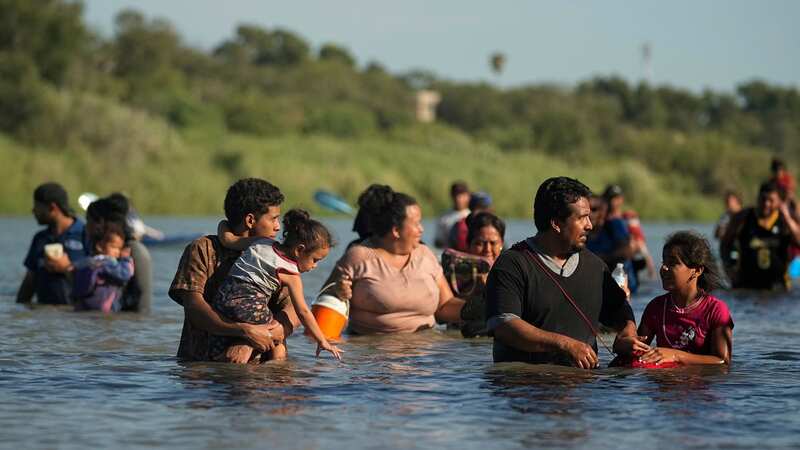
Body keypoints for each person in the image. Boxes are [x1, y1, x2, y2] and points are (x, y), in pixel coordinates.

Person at [485, 177, 643, 368]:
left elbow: (620, 310)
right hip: (525, 387)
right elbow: (504, 326)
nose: (589, 225)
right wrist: (565, 344)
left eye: (589, 216)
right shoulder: (512, 263)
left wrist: (628, 332)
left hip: (583, 389)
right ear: (556, 223)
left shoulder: (595, 266)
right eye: (581, 218)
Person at [169, 178, 299, 363]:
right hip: (203, 368)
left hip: (260, 372)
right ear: (250, 220)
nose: (278, 226)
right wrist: (244, 331)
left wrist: (255, 340)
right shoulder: (203, 249)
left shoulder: (273, 255)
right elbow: (194, 308)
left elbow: (294, 310)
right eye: (273, 219)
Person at [319, 184, 465, 334]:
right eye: (416, 223)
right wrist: (338, 293)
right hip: (370, 352)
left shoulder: (426, 255)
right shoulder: (358, 257)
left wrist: (477, 309)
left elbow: (445, 306)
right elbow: (323, 302)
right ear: (396, 230)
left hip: (426, 354)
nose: (422, 229)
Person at [209, 209, 342, 362]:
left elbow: (228, 240)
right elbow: (303, 311)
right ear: (299, 250)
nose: (314, 266)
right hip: (248, 307)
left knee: (219, 342)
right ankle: (276, 366)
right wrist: (322, 341)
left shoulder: (262, 241)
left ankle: (218, 360)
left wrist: (223, 223)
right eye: (315, 260)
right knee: (275, 330)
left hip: (221, 300)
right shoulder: (291, 273)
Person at [636, 231, 733, 365]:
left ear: (697, 271)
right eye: (664, 262)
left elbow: (722, 360)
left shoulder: (716, 310)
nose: (664, 268)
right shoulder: (656, 306)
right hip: (665, 383)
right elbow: (638, 350)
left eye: (673, 263)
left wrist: (676, 355)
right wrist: (624, 344)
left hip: (699, 383)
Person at [720, 181, 800, 290]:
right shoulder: (743, 217)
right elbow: (725, 244)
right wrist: (729, 269)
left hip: (778, 288)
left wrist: (787, 217)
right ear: (758, 198)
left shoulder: (784, 220)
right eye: (763, 199)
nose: (766, 204)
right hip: (745, 286)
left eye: (771, 200)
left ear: (779, 202)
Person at [17, 182, 87, 305]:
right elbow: (29, 283)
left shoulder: (85, 235)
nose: (33, 211)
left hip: (75, 317)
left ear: (52, 208)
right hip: (44, 317)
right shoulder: (40, 239)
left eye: (37, 206)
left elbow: (96, 282)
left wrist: (67, 268)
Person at [442, 211, 505, 337]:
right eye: (479, 243)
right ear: (469, 245)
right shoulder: (454, 275)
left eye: (493, 243)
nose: (487, 249)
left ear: (502, 244)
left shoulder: (510, 273)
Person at [85, 194, 152, 313]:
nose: (86, 226)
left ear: (102, 222)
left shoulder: (136, 251)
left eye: (89, 221)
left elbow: (143, 303)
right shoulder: (96, 248)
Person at [73, 221, 135, 313]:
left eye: (119, 248)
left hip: (84, 304)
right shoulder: (108, 262)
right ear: (100, 247)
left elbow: (73, 267)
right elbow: (125, 274)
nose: (117, 252)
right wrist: (126, 259)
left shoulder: (89, 261)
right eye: (114, 247)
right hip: (104, 307)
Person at [586, 192, 638, 294]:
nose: (589, 214)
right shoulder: (581, 232)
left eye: (594, 209)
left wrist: (597, 259)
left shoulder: (614, 225)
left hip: (624, 288)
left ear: (603, 211)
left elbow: (627, 251)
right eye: (586, 210)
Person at [434, 181, 470, 248]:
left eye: (462, 195)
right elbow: (437, 242)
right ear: (451, 196)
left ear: (468, 196)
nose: (459, 199)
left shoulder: (472, 216)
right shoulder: (443, 217)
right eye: (456, 195)